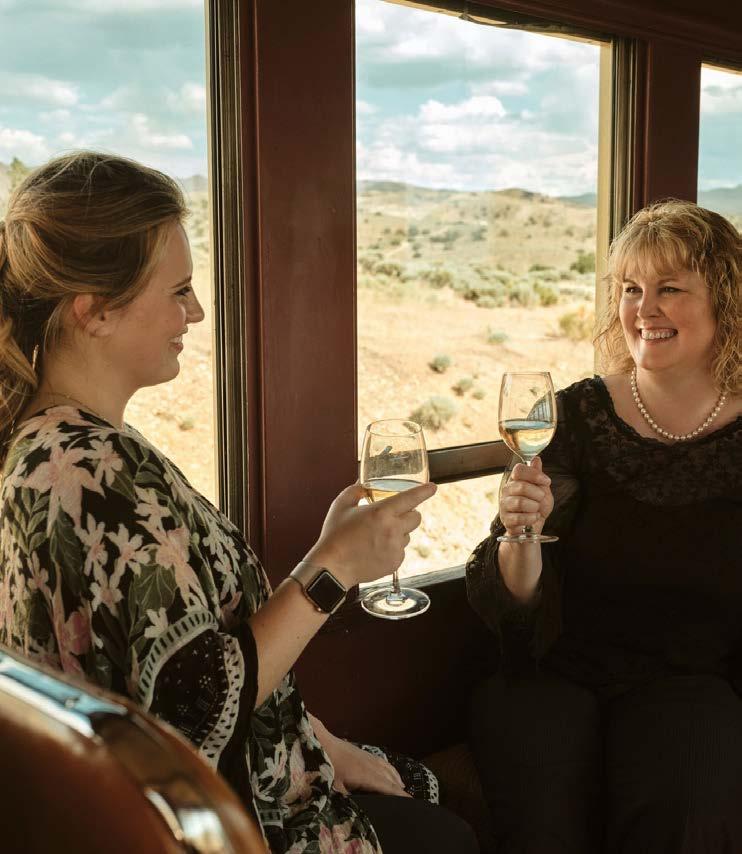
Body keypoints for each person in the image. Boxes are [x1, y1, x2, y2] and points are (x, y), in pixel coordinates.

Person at [0, 151, 479, 854]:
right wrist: (333, 568)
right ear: (95, 310)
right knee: (457, 826)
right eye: (179, 291)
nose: (195, 312)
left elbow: (177, 656)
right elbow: (192, 710)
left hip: (258, 771)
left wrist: (322, 742)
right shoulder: (88, 474)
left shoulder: (62, 444)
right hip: (233, 824)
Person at [466, 199, 742, 853]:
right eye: (630, 289)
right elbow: (516, 605)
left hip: (695, 681)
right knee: (540, 811)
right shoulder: (574, 415)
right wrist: (520, 535)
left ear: (725, 301)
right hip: (558, 671)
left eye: (669, 288)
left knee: (685, 806)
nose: (644, 309)